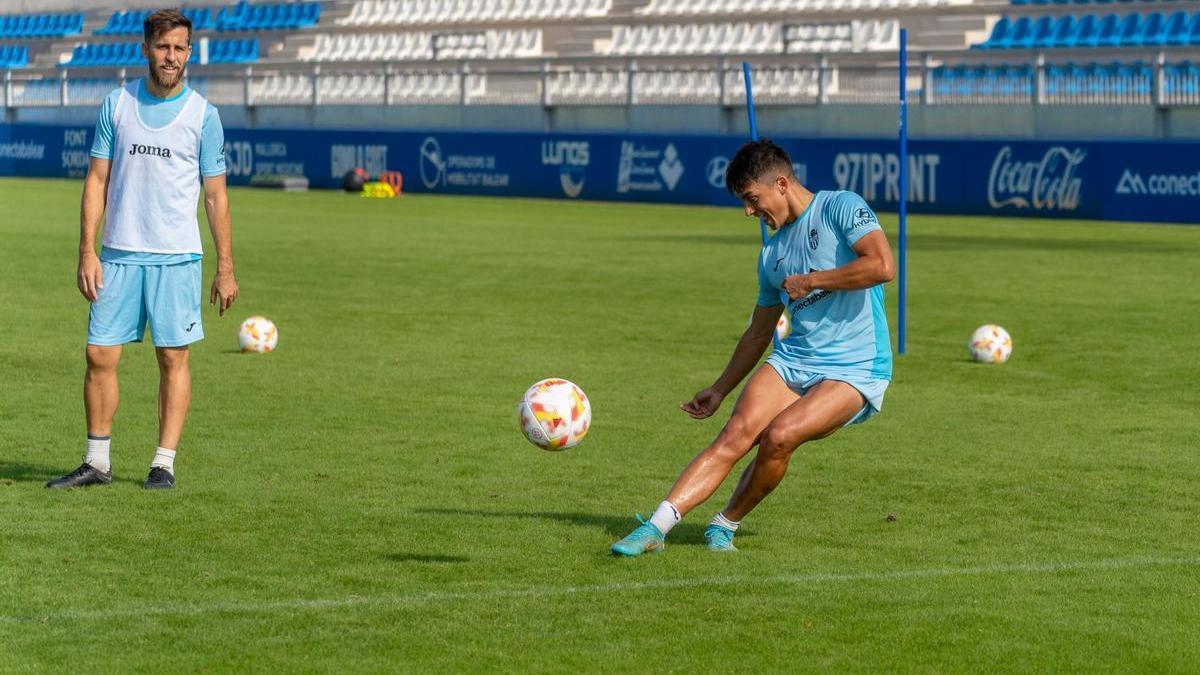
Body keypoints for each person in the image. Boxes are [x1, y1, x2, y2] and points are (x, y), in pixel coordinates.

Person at [611, 139, 894, 555]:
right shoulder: (771, 254)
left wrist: (812, 280)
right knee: (734, 435)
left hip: (856, 368)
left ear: (781, 184)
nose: (748, 211)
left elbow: (882, 266)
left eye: (751, 198)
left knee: (779, 436)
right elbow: (759, 333)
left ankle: (725, 523)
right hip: (794, 359)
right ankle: (655, 528)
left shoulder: (841, 206)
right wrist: (719, 389)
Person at [47, 9, 238, 490]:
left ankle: (163, 464)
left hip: (177, 258)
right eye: (163, 47)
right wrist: (87, 251)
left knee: (173, 359)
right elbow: (97, 180)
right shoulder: (117, 104)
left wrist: (225, 267)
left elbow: (215, 196)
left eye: (179, 48)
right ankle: (97, 462)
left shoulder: (204, 116)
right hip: (118, 253)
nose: (171, 57)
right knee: (98, 354)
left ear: (189, 53)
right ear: (145, 49)